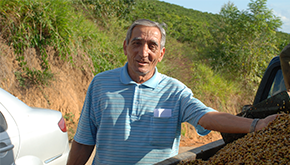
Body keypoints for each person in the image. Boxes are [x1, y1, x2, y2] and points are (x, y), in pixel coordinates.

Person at [67, 19, 278, 165]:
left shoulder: (175, 92)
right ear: (125, 47)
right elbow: (85, 140)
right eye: (137, 43)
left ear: (161, 54)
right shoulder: (101, 84)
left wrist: (257, 125)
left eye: (152, 46)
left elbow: (206, 117)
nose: (143, 53)